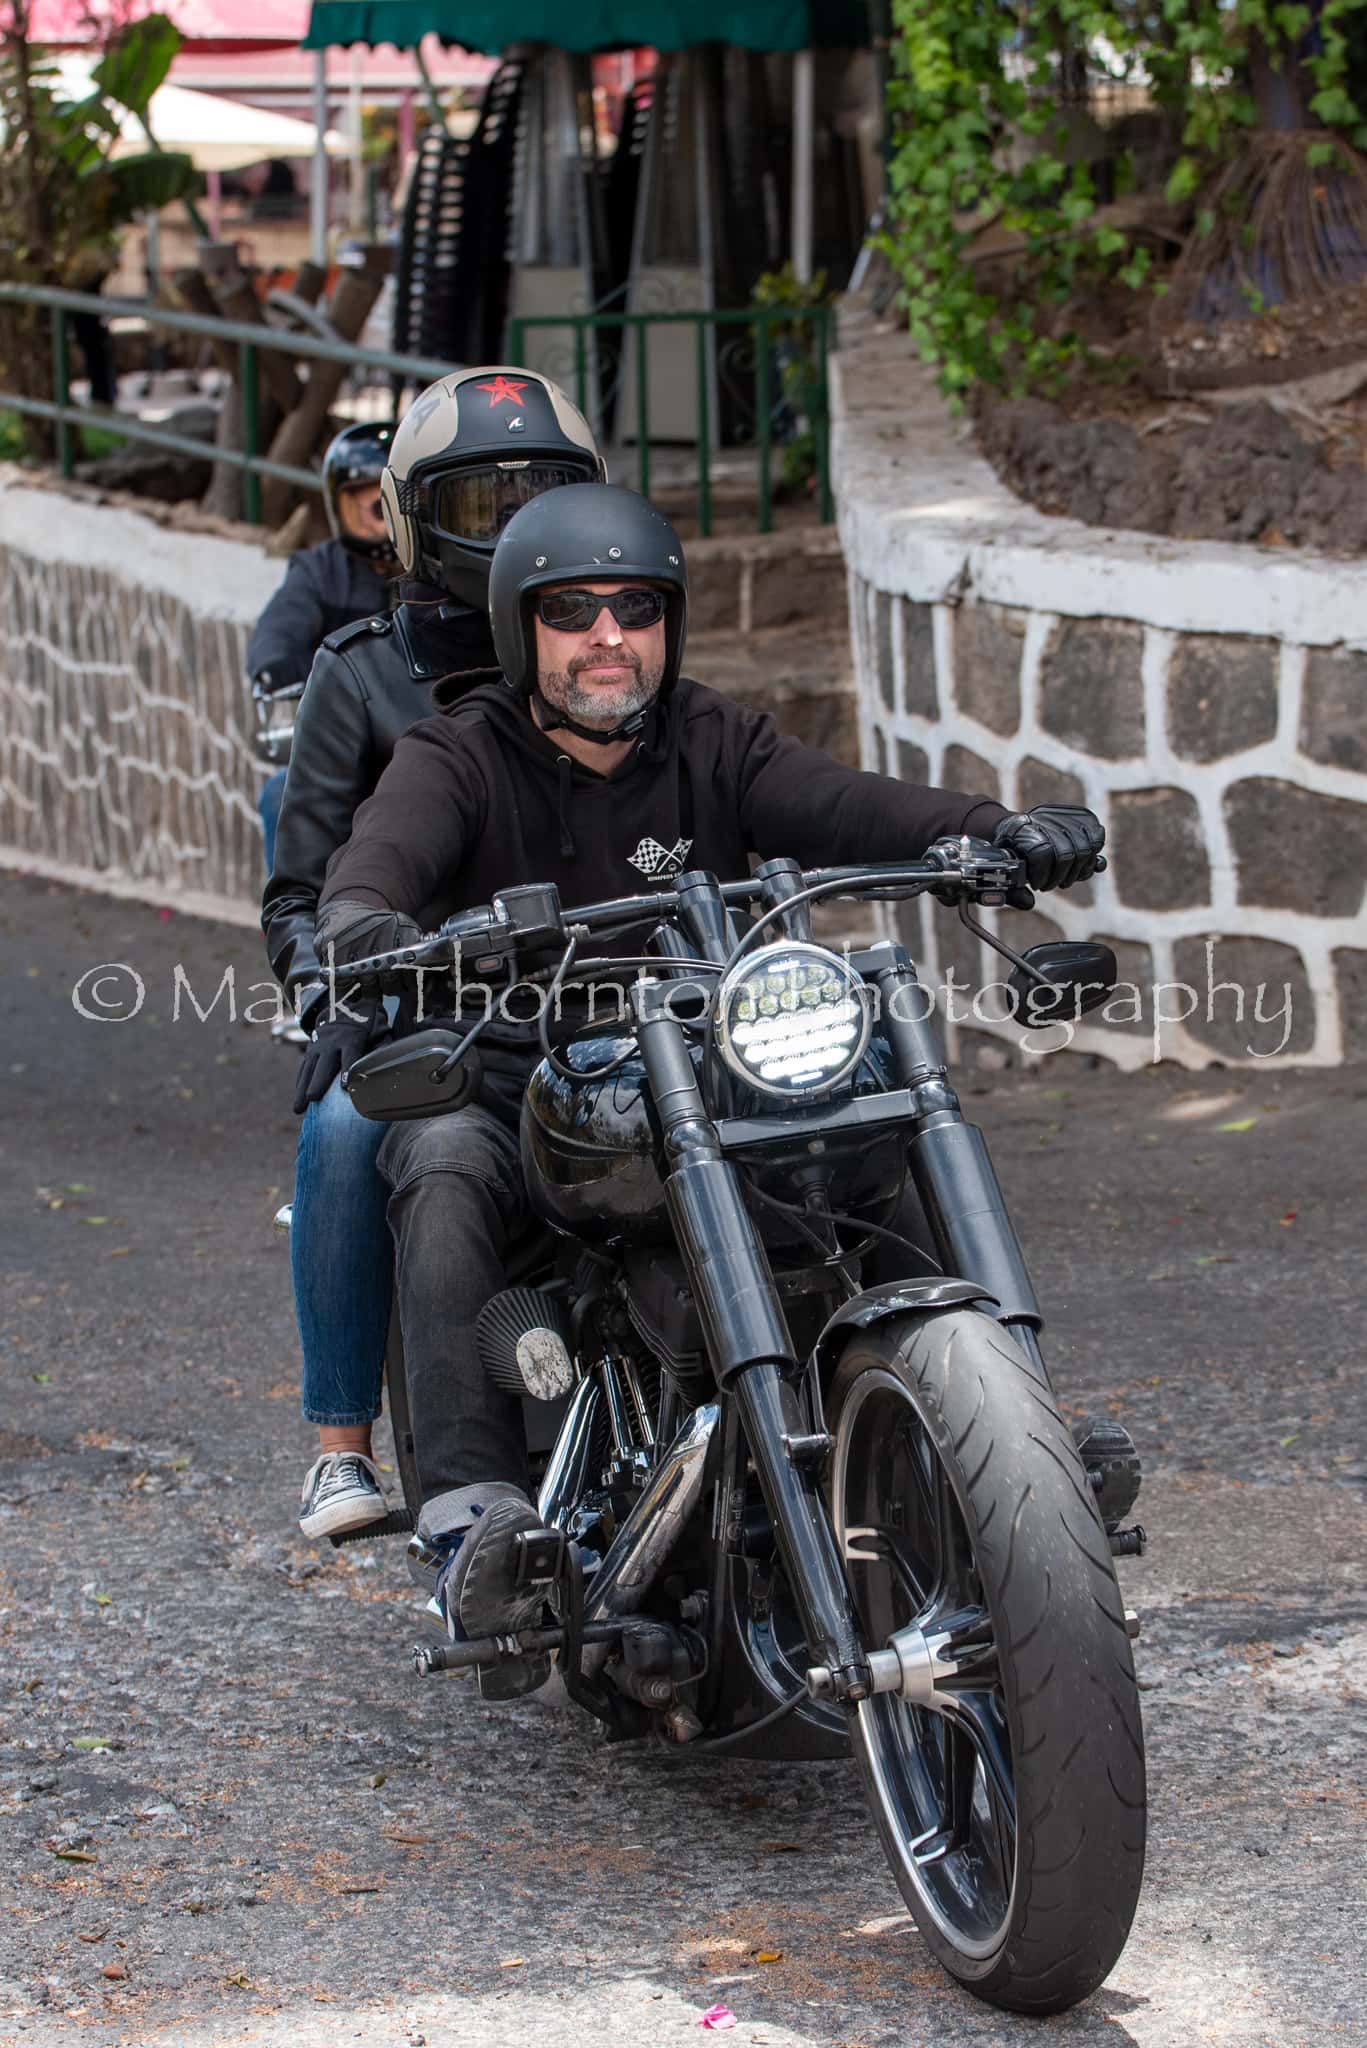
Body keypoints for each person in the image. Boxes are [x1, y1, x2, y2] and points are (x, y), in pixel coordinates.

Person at [314, 484, 1106, 1677]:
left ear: (667, 623)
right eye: (570, 611)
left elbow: (847, 803)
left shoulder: (711, 738)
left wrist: (991, 832)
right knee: (437, 1156)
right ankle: (480, 1512)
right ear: (519, 629)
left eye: (634, 608)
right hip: (531, 1078)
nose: (605, 637)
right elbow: (378, 862)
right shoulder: (456, 755)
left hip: (709, 1060)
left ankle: (1001, 1440)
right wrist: (365, 920)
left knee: (868, 1116)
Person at [261, 368, 607, 1540]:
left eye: (541, 497)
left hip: (594, 991)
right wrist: (332, 977)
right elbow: (301, 883)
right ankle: (340, 1443)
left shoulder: (600, 645)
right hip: (421, 1006)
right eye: (480, 505)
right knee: (351, 1125)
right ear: (412, 521)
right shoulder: (358, 670)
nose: (516, 530)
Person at [248, 421, 401, 874]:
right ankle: (296, 931)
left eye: (388, 496)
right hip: (351, 745)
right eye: (366, 498)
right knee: (280, 794)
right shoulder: (320, 572)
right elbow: (276, 631)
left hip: (435, 740)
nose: (378, 510)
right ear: (340, 504)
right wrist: (279, 667)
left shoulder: (438, 567)